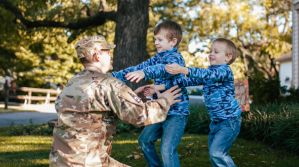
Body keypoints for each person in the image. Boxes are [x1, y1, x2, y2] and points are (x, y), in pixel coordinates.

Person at [49, 36, 182, 167]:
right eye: (108, 52)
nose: (111, 56)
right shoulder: (109, 83)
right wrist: (165, 100)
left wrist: (133, 97)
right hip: (89, 162)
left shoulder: (73, 82)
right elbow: (141, 116)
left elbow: (93, 106)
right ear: (98, 56)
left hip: (59, 161)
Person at [145, 38, 242, 167]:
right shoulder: (209, 73)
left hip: (229, 121)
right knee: (215, 154)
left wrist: (182, 70)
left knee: (217, 153)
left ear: (228, 58)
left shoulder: (224, 71)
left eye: (216, 52)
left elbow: (206, 74)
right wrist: (158, 87)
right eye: (210, 51)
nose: (211, 54)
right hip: (217, 122)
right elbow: (184, 82)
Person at [110, 20, 189, 167]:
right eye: (155, 39)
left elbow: (163, 69)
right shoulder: (156, 58)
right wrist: (111, 76)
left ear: (173, 42)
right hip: (161, 109)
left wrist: (144, 73)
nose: (156, 43)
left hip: (177, 112)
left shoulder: (175, 59)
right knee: (144, 140)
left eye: (160, 39)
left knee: (167, 149)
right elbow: (136, 68)